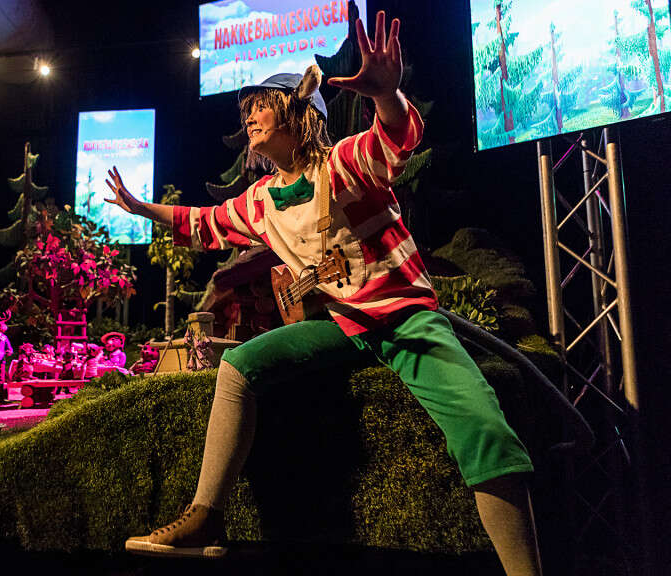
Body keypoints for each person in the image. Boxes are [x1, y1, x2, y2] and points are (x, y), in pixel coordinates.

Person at [106, 12, 542, 575]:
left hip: (405, 320)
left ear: (298, 113)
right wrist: (142, 209)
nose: (249, 116)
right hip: (342, 326)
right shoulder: (260, 199)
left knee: (485, 431)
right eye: (247, 108)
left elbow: (393, 142)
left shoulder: (342, 163)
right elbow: (205, 220)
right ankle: (206, 516)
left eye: (262, 105)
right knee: (237, 365)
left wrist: (386, 95)